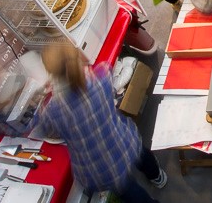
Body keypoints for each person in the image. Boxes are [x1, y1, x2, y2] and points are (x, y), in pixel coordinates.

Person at [33, 42, 167, 203]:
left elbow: (45, 129)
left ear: (50, 73)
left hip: (100, 167)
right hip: (124, 140)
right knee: (142, 154)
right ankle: (157, 177)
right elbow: (105, 71)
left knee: (128, 189)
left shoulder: (54, 110)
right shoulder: (100, 78)